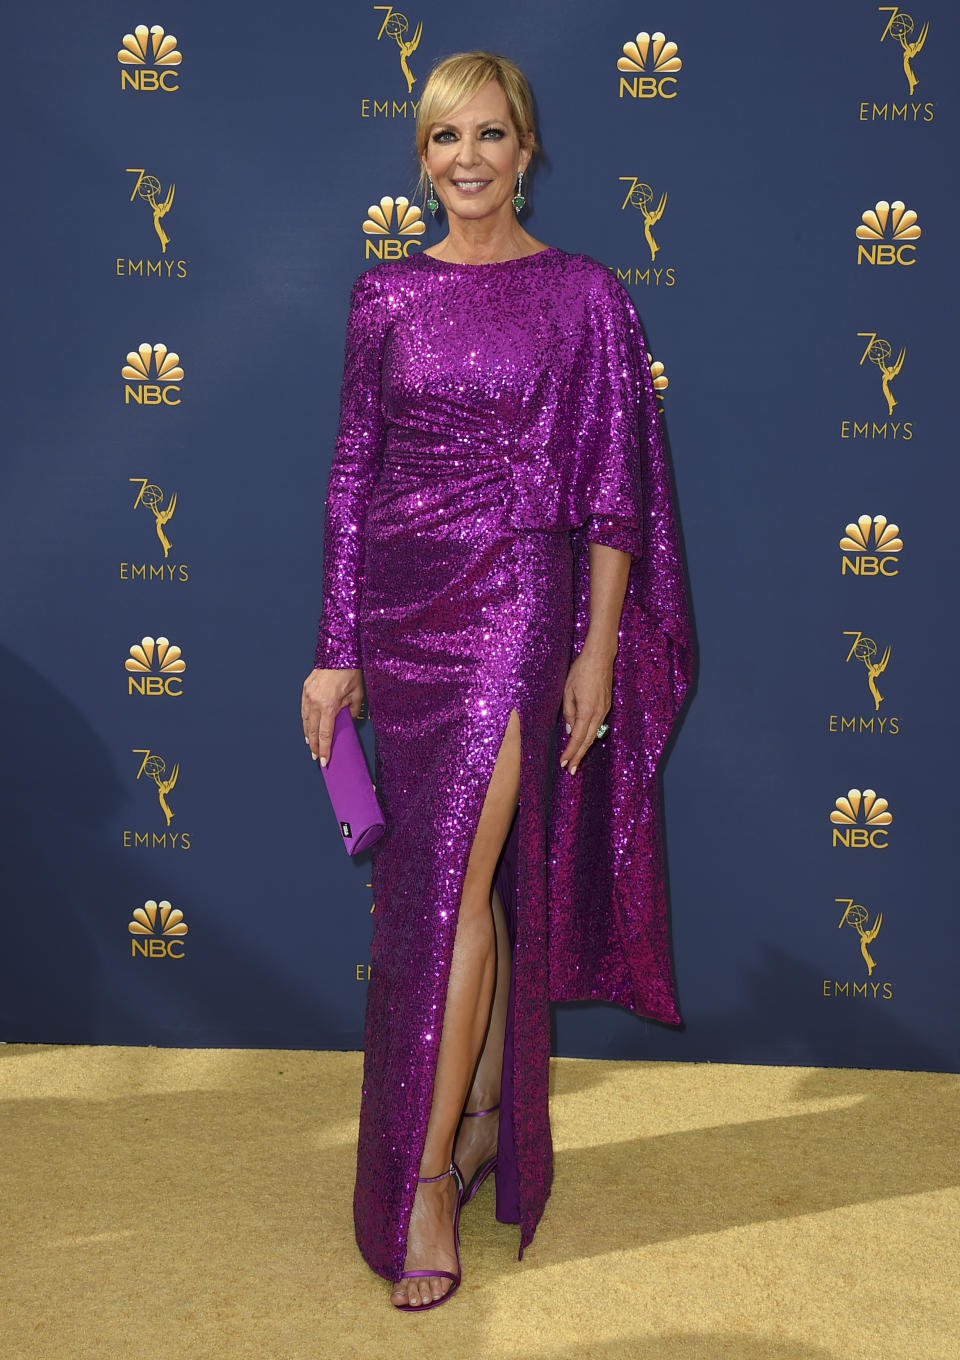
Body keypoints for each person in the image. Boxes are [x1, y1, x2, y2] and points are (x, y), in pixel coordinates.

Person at [301, 50, 692, 1311]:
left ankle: (419, 1177)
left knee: (455, 878)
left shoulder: (584, 294)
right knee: (453, 883)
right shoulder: (383, 298)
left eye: (489, 135)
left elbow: (614, 492)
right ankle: (476, 1121)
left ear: (528, 149)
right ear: (420, 157)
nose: (465, 159)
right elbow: (352, 473)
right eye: (442, 140)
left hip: (514, 605)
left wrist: (593, 650)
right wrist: (335, 647)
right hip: (398, 610)